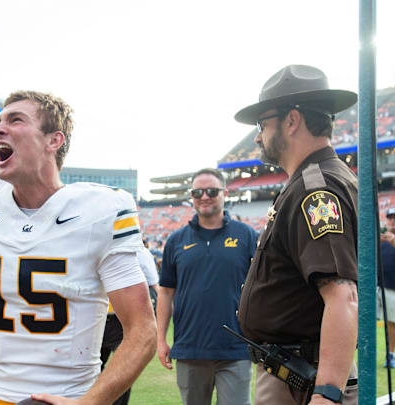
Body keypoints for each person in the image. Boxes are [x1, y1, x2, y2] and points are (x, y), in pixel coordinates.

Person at [0, 91, 157, 405]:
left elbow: (142, 329)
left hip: (69, 397)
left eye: (15, 120)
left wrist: (89, 403)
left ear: (54, 140)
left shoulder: (102, 211)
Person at [235, 65, 359, 404]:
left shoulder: (315, 189)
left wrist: (327, 393)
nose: (258, 136)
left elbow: (342, 296)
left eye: (262, 124)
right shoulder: (316, 180)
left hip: (303, 380)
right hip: (295, 372)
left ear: (292, 120)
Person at [155, 168, 257, 405]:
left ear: (225, 193)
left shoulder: (247, 236)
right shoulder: (176, 241)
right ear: (191, 196)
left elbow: (260, 288)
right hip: (190, 349)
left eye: (211, 191)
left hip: (235, 348)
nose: (204, 196)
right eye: (197, 192)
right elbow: (166, 292)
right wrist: (161, 339)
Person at [100, 239, 160, 405]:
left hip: (121, 319)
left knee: (123, 368)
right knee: (92, 370)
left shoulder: (138, 252)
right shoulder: (97, 244)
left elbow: (155, 284)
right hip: (98, 318)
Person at [379, 207, 395, 367]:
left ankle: (390, 355)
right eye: (390, 218)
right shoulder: (382, 240)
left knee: (391, 323)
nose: (392, 221)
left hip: (391, 288)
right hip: (377, 287)